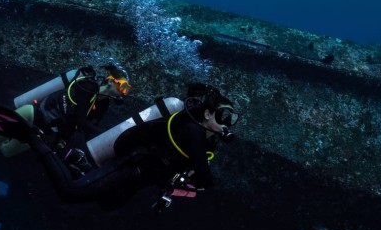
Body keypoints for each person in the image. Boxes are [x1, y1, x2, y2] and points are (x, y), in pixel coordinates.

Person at [31, 83, 238, 211]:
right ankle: (32, 138)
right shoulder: (193, 130)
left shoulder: (208, 140)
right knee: (71, 192)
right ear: (207, 113)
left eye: (231, 119)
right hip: (131, 166)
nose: (226, 123)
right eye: (223, 117)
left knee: (108, 204)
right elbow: (204, 172)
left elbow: (190, 168)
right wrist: (202, 182)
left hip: (143, 177)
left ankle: (83, 165)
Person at [0, 63, 132, 176]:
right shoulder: (89, 87)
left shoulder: (102, 106)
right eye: (123, 87)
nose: (123, 93)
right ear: (111, 81)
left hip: (40, 131)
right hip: (32, 114)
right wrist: (106, 133)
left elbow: (81, 128)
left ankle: (1, 125)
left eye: (126, 90)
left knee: (5, 151)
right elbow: (80, 119)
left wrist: (60, 144)